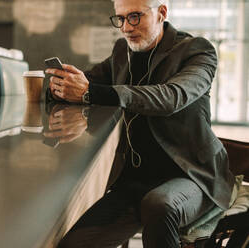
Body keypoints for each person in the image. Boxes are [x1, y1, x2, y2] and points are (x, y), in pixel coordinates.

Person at [45, 0, 235, 247]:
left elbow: (170, 97)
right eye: (120, 19)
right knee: (72, 244)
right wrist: (60, 86)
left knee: (158, 205)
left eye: (135, 16)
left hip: (191, 175)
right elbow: (88, 82)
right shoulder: (122, 51)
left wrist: (91, 92)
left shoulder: (198, 51)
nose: (125, 27)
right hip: (135, 182)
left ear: (161, 13)